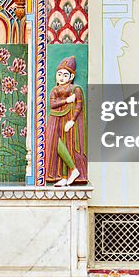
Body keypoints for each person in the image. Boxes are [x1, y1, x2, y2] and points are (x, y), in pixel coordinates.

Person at [43, 56, 88, 186]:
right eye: (59, 74)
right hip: (55, 118)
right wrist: (66, 101)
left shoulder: (75, 89)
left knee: (69, 144)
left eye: (65, 75)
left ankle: (71, 172)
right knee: (54, 143)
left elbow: (79, 106)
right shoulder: (54, 90)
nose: (61, 77)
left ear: (71, 77)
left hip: (68, 119)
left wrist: (73, 121)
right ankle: (66, 173)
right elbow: (52, 104)